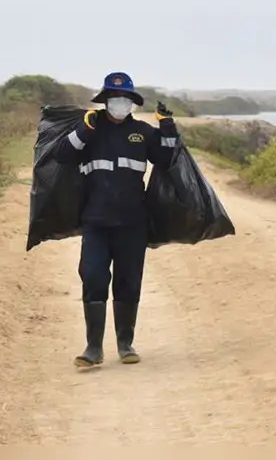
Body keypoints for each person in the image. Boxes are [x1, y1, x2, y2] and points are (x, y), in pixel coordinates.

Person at [54, 71, 181, 368]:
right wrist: (83, 131)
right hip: (96, 224)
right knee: (94, 277)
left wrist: (168, 126)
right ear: (105, 100)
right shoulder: (90, 128)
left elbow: (167, 158)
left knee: (128, 283)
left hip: (132, 224)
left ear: (132, 103)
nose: (120, 104)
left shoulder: (142, 133)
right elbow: (62, 155)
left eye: (125, 99)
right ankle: (93, 349)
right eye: (114, 98)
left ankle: (125, 344)